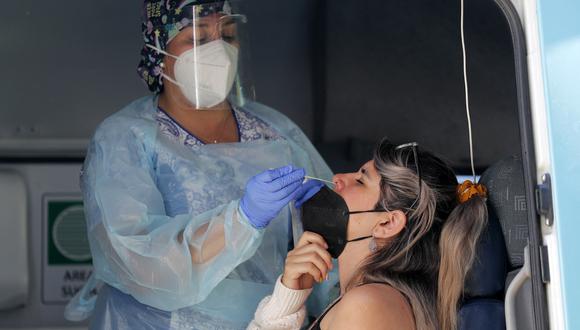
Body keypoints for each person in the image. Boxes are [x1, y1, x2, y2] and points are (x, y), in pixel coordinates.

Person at [64, 0, 333, 328]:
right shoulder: (126, 139)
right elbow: (140, 262)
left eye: (229, 36)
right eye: (198, 39)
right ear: (159, 52)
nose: (219, 52)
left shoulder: (275, 133)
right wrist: (242, 220)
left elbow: (332, 245)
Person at [248, 139, 489, 330]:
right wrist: (288, 298)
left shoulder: (367, 306)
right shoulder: (364, 298)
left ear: (388, 222)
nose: (337, 179)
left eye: (361, 180)